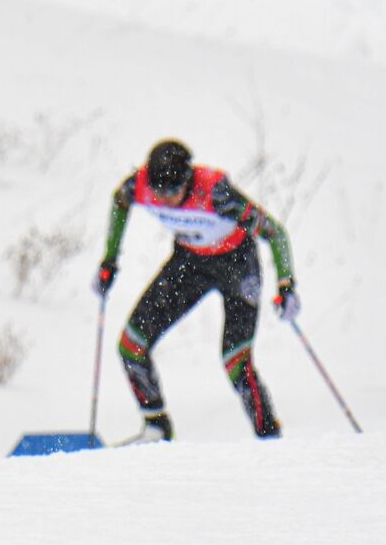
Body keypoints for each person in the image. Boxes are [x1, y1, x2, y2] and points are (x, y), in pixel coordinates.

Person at [93, 139, 298, 442]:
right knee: (130, 346)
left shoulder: (216, 193)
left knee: (235, 361)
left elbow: (274, 232)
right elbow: (119, 201)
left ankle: (269, 439)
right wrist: (110, 259)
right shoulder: (140, 185)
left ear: (187, 181)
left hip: (237, 266)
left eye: (172, 192)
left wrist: (286, 284)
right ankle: (156, 429)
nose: (163, 200)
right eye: (157, 193)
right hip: (189, 264)